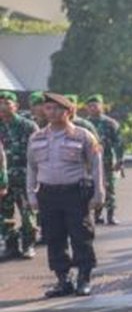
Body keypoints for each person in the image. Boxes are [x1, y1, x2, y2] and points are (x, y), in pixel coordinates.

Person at [27, 92, 104, 297]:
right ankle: (63, 280)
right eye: (48, 108)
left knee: (81, 236)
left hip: (75, 193)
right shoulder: (37, 137)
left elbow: (96, 165)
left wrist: (99, 193)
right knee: (54, 237)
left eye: (57, 108)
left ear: (69, 111)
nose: (52, 112)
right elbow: (32, 168)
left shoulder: (83, 135)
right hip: (48, 194)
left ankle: (84, 278)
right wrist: (31, 195)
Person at [0, 90, 38, 258]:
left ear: (16, 106)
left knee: (27, 214)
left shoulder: (28, 126)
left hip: (25, 179)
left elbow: (39, 153)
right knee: (4, 215)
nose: (3, 107)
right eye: (0, 104)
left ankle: (28, 244)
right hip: (3, 181)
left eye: (7, 103)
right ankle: (10, 245)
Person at [82, 95, 124, 226]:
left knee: (109, 188)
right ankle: (97, 215)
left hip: (107, 161)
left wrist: (120, 160)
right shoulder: (84, 124)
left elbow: (119, 143)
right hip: (89, 162)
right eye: (90, 106)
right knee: (92, 188)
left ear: (102, 106)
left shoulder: (110, 123)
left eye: (95, 105)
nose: (93, 108)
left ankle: (111, 215)